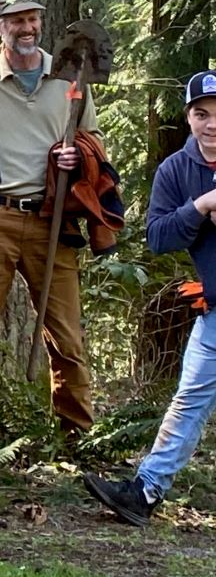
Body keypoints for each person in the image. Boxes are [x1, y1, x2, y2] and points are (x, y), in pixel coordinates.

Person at [0, 0, 98, 441]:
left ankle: (76, 435)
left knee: (68, 336)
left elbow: (93, 141)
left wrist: (80, 159)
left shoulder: (70, 80)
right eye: (15, 20)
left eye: (33, 19)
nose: (26, 28)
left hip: (51, 218)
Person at [84, 72, 216, 525]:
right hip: (215, 312)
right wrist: (200, 207)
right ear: (188, 117)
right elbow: (158, 237)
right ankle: (144, 492)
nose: (211, 125)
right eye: (202, 114)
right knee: (188, 401)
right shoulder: (177, 171)